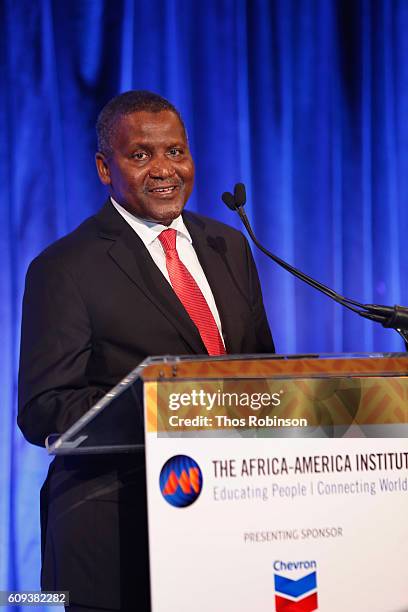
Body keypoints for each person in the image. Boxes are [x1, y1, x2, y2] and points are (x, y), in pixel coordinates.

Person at [18, 90, 274, 611]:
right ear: (104, 168)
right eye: (140, 155)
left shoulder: (229, 245)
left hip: (229, 524)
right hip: (119, 536)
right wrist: (169, 410)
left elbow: (260, 374)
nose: (164, 169)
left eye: (176, 152)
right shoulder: (65, 267)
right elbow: (44, 408)